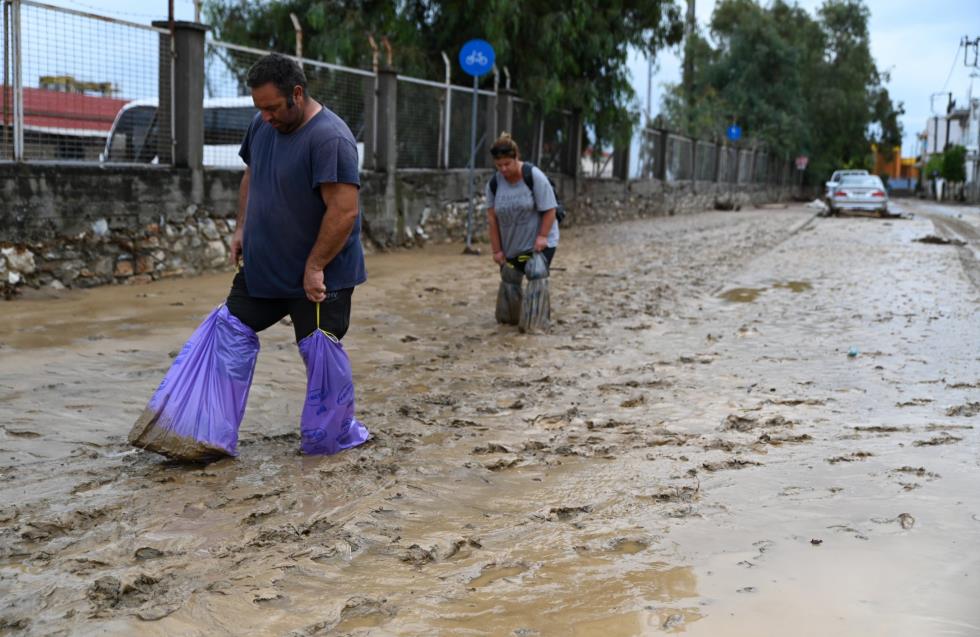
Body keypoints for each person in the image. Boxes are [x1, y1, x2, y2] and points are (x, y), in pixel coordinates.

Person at [130, 53, 370, 460]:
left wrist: (314, 267)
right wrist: (241, 228)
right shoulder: (261, 125)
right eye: (260, 108)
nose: (266, 117)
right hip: (264, 265)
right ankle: (201, 432)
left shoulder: (330, 139)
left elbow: (343, 211)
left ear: (297, 94)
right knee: (227, 331)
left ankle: (329, 438)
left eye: (273, 108)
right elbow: (251, 175)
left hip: (317, 277)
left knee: (319, 350)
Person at [485, 133, 559, 330]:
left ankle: (535, 323)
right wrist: (496, 251)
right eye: (499, 165)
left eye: (507, 164)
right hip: (513, 245)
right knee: (509, 276)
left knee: (535, 272)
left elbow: (550, 209)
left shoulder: (533, 176)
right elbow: (492, 219)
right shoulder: (494, 184)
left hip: (538, 243)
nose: (503, 169)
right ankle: (510, 318)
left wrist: (542, 236)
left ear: (516, 157)